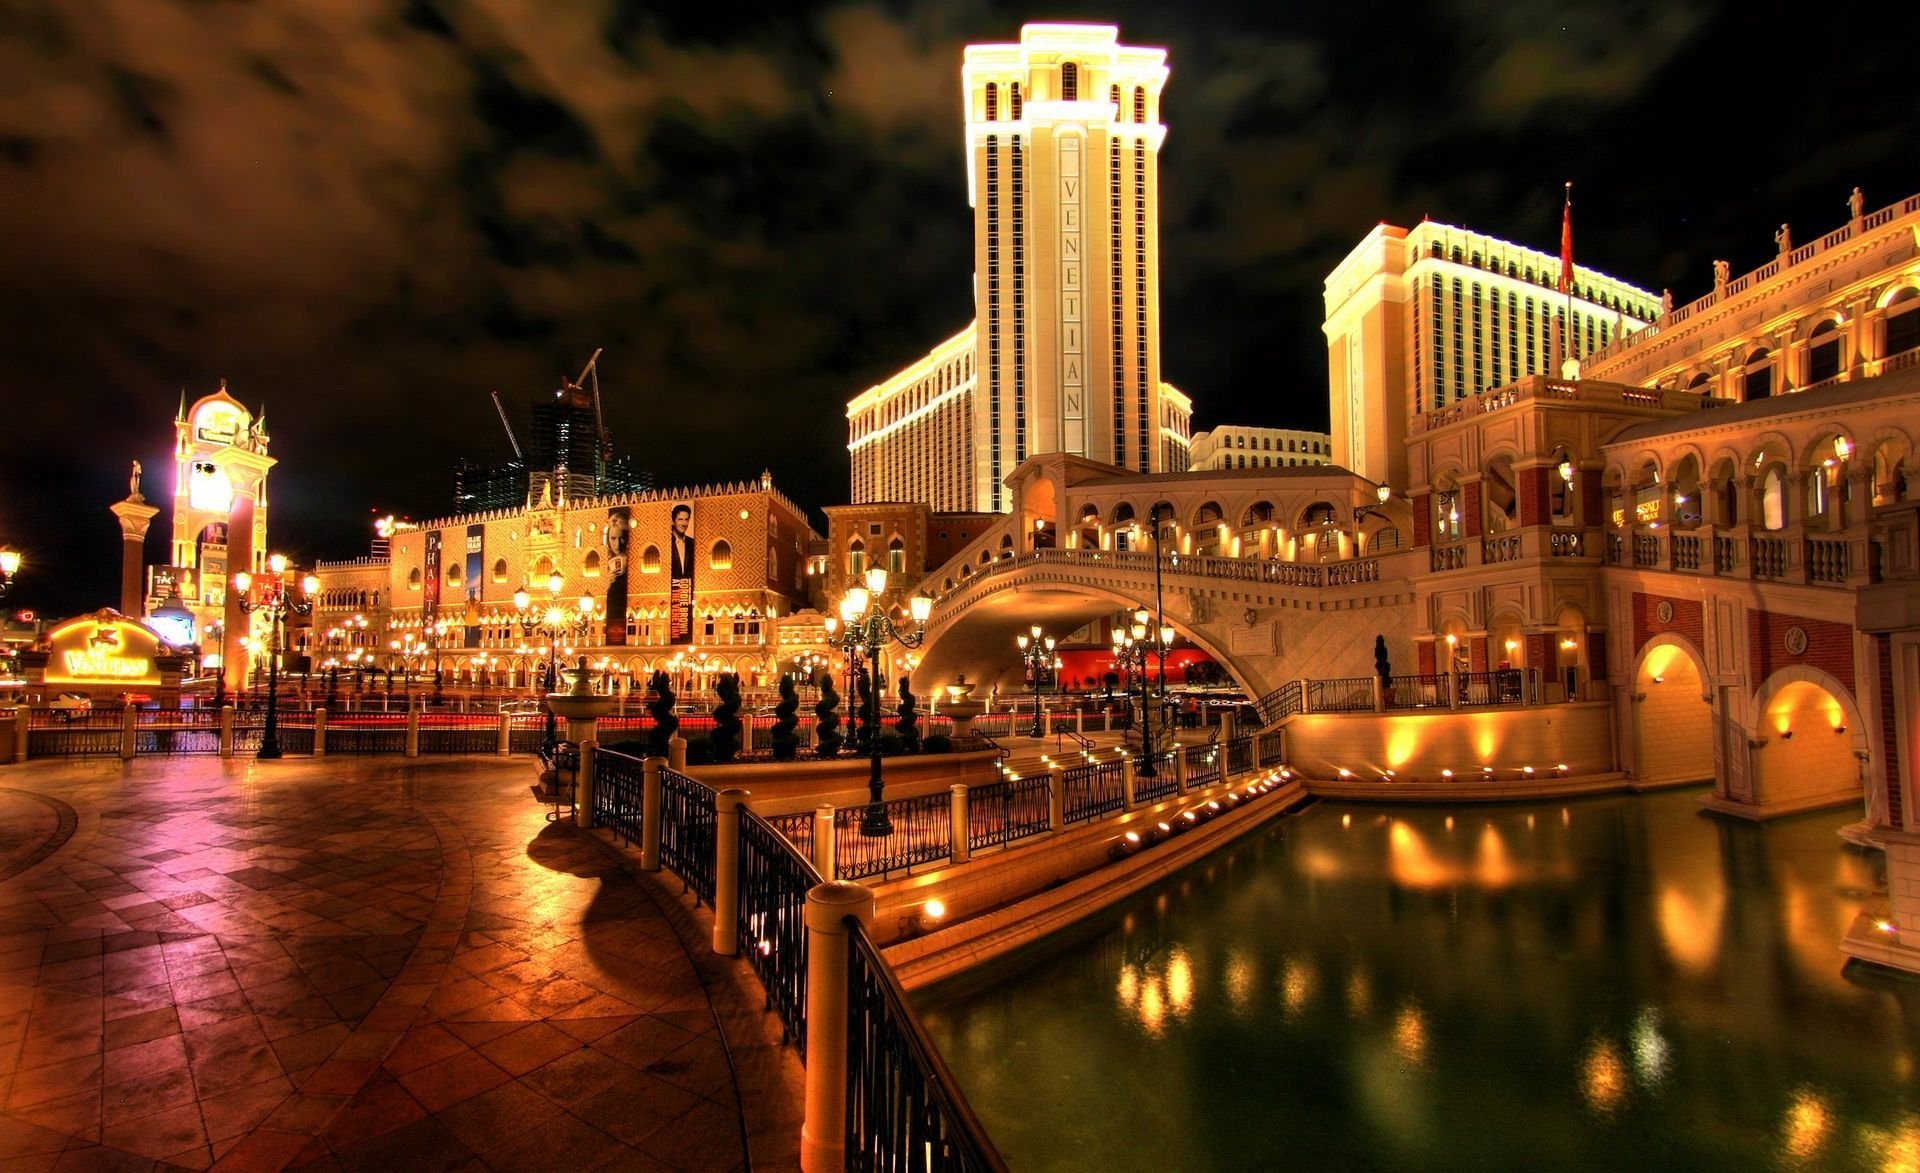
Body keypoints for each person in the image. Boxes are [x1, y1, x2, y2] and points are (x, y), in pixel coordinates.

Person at [669, 505, 694, 579]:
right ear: (673, 521)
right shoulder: (667, 542)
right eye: (680, 519)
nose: (684, 524)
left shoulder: (692, 543)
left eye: (686, 519)